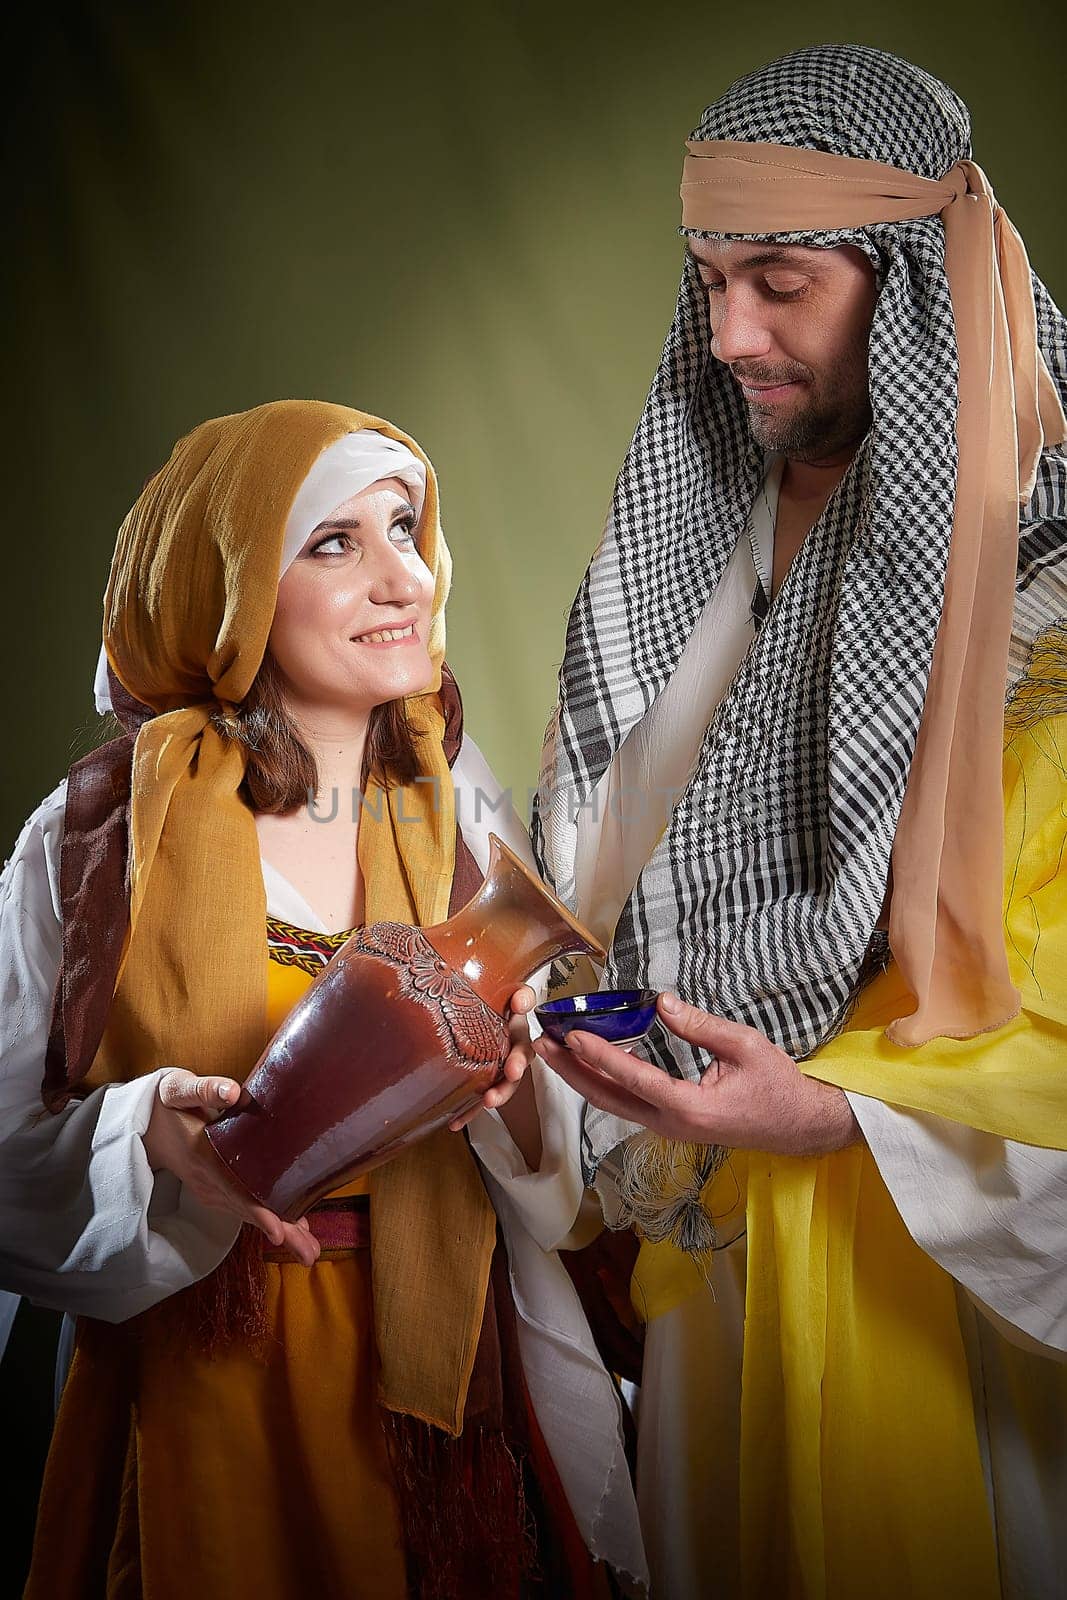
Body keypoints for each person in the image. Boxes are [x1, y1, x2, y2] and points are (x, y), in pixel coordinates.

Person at [529, 45, 1067, 1600]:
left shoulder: (1048, 561)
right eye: (705, 278)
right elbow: (610, 855)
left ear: (906, 279)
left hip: (943, 1282)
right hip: (712, 1247)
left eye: (777, 280)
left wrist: (841, 1117)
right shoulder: (718, 509)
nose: (726, 335)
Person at [0, 400, 647, 1598]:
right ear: (229, 590)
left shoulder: (465, 825)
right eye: (334, 543)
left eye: (405, 527)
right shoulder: (94, 838)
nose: (402, 576)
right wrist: (142, 1135)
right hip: (195, 1378)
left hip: (436, 1381)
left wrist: (506, 1096)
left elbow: (566, 1183)